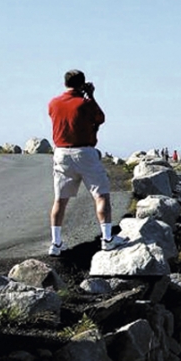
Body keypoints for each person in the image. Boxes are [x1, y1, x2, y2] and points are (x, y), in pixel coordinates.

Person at [47, 69, 127, 256]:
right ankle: (107, 239)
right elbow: (100, 118)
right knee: (101, 196)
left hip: (61, 153)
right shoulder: (84, 104)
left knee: (60, 200)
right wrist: (90, 95)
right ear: (82, 84)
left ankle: (56, 243)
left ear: (65, 83)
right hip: (84, 152)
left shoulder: (53, 103)